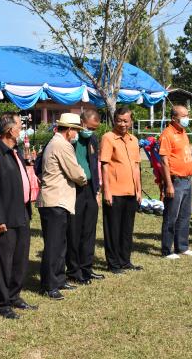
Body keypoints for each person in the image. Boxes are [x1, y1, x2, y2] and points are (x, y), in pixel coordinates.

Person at [0, 112, 36, 320]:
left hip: (21, 213)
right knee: (4, 262)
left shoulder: (14, 150)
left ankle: (15, 295)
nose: (21, 129)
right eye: (19, 125)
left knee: (20, 260)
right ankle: (2, 302)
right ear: (9, 129)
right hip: (5, 217)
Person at [37, 113, 87, 300]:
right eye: (76, 130)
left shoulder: (57, 142)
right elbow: (75, 172)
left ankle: (58, 279)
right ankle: (49, 284)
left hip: (58, 200)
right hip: (55, 200)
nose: (77, 134)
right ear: (70, 130)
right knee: (53, 245)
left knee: (60, 244)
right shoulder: (62, 145)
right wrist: (84, 178)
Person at [100, 106, 143, 271]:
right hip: (115, 191)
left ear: (131, 121)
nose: (122, 124)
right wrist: (107, 191)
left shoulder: (134, 140)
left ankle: (125, 260)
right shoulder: (108, 138)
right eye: (119, 120)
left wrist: (138, 190)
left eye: (125, 121)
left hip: (131, 191)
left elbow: (136, 167)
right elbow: (104, 165)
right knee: (113, 229)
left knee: (127, 229)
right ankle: (113, 263)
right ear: (114, 120)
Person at [66, 109, 105, 284]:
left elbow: (94, 166)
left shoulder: (93, 139)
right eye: (89, 127)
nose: (91, 131)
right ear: (81, 122)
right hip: (74, 189)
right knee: (75, 231)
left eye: (95, 129)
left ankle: (87, 268)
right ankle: (74, 271)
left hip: (90, 188)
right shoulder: (70, 139)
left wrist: (97, 190)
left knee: (89, 231)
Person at [158, 105, 192, 258]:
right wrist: (168, 184)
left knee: (185, 215)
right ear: (174, 118)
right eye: (184, 116)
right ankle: (167, 249)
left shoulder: (183, 132)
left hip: (186, 179)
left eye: (187, 115)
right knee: (171, 216)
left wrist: (191, 180)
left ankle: (182, 246)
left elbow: (185, 157)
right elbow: (164, 161)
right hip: (175, 181)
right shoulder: (167, 134)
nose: (187, 118)